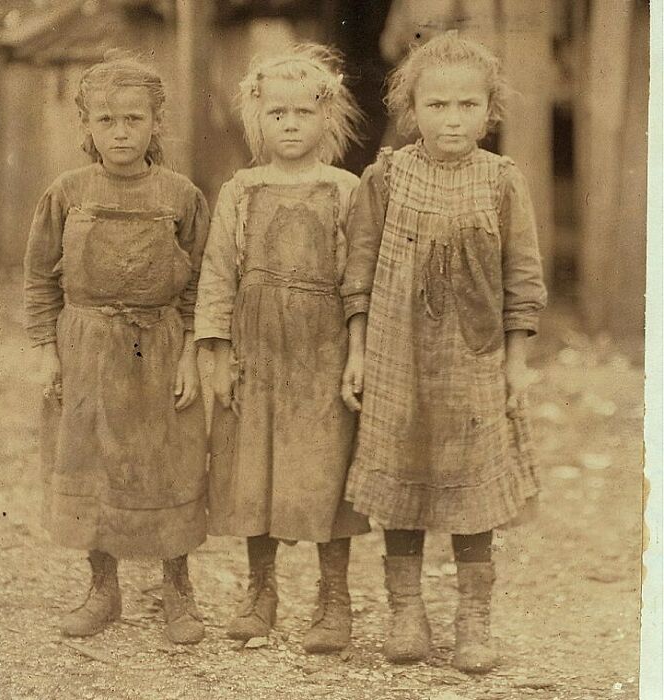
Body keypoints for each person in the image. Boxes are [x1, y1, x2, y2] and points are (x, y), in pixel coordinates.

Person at [340, 30, 547, 671]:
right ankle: (406, 612)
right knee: (401, 479)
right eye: (437, 105)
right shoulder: (387, 177)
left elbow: (523, 279)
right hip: (395, 355)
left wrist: (515, 364)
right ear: (412, 109)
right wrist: (356, 352)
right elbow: (360, 271)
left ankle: (473, 619)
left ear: (489, 111)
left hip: (474, 360)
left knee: (472, 487)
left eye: (466, 105)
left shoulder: (502, 181)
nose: (452, 119)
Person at [24, 52, 210, 645]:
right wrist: (49, 351)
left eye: (134, 118)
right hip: (86, 346)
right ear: (87, 127)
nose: (121, 131)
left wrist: (190, 357)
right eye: (106, 120)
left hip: (159, 346)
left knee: (167, 462)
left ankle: (177, 590)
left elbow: (203, 282)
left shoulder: (181, 195)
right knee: (91, 463)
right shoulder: (66, 192)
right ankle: (102, 590)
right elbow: (39, 279)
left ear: (157, 123)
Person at [194, 44, 370, 654]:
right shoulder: (240, 191)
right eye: (277, 114)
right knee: (255, 469)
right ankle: (260, 591)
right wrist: (215, 350)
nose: (290, 124)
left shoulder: (345, 190)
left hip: (321, 351)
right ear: (257, 119)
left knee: (326, 469)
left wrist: (357, 350)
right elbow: (217, 274)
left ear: (327, 118)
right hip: (257, 349)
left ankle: (334, 597)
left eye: (302, 112)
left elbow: (359, 281)